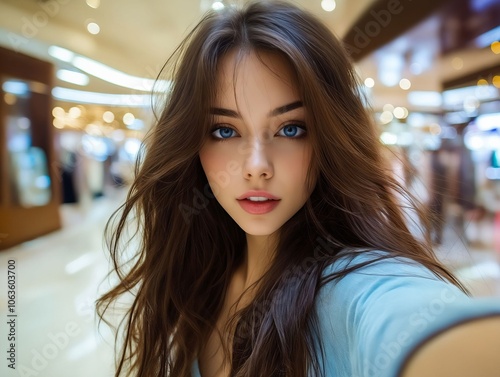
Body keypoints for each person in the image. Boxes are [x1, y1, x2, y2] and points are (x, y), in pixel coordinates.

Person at [96, 2, 500, 376]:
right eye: (224, 130)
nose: (256, 166)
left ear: (327, 137)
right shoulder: (200, 278)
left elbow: (410, 317)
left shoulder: (353, 288)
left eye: (291, 129)